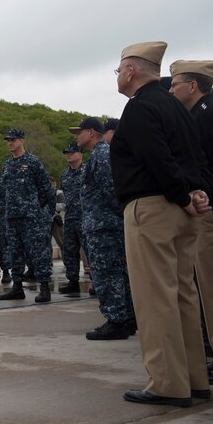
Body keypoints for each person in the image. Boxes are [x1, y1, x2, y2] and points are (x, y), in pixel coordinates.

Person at [111, 41, 211, 407]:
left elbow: (157, 158)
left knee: (156, 299)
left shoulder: (139, 108)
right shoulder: (175, 106)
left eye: (119, 70)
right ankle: (194, 378)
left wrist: (183, 195)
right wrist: (197, 193)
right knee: (184, 295)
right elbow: (196, 157)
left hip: (153, 209)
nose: (118, 76)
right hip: (181, 212)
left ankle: (168, 382)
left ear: (131, 70)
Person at [168, 59, 213, 386]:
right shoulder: (198, 114)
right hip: (212, 212)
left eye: (175, 84)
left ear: (193, 86)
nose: (171, 90)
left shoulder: (210, 115)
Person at [71, 116, 135, 340]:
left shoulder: (101, 155)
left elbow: (113, 192)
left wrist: (115, 218)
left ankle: (117, 320)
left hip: (104, 227)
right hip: (104, 225)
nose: (76, 136)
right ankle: (125, 319)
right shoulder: (98, 156)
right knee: (116, 273)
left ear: (91, 133)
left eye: (79, 132)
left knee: (108, 275)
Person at [0, 128, 56, 303]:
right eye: (8, 140)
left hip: (31, 217)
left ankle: (44, 287)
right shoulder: (7, 165)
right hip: (12, 217)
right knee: (14, 252)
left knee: (38, 252)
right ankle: (17, 287)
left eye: (13, 140)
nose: (10, 143)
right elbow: (4, 191)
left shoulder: (33, 162)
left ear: (22, 140)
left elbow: (46, 190)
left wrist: (36, 209)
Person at [57, 143, 85, 294]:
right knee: (69, 251)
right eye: (67, 153)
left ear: (79, 155)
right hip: (70, 218)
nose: (68, 155)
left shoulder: (87, 171)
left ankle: (96, 281)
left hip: (85, 217)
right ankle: (72, 281)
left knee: (90, 251)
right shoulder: (64, 175)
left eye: (71, 152)